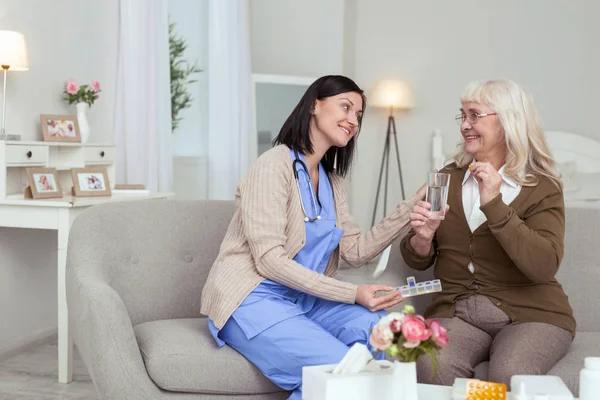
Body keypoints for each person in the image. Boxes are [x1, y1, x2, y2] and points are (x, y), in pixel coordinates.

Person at [200, 75, 425, 399]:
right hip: (252, 299)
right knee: (337, 372)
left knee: (382, 336)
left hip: (305, 300)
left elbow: (356, 251)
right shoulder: (272, 165)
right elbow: (269, 262)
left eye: (359, 115)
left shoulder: (333, 183)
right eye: (345, 107)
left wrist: (410, 208)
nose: (353, 120)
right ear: (315, 106)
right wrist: (352, 293)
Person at [400, 78, 575, 386]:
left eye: (475, 115)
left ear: (508, 122)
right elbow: (416, 258)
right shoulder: (446, 178)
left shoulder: (542, 186)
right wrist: (422, 240)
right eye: (462, 115)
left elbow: (543, 264)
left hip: (531, 313)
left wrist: (494, 203)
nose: (465, 125)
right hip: (457, 313)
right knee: (431, 364)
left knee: (511, 374)